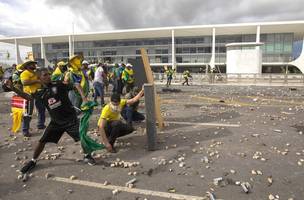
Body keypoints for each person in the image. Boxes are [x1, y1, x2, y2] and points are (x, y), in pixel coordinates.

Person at [4, 68, 97, 175]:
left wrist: (84, 98)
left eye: (49, 74)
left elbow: (76, 84)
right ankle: (33, 161)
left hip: (70, 119)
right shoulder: (39, 92)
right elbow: (27, 97)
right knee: (41, 141)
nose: (48, 76)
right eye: (45, 75)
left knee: (82, 137)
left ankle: (87, 156)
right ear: (39, 78)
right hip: (56, 122)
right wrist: (12, 87)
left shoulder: (59, 84)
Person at [20, 60, 46, 136]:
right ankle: (25, 130)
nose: (34, 65)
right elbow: (24, 82)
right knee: (28, 113)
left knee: (41, 109)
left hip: (37, 93)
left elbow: (40, 80)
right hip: (28, 95)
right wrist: (36, 80)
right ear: (28, 66)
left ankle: (41, 124)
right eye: (33, 64)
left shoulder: (35, 73)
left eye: (35, 64)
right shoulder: (24, 73)